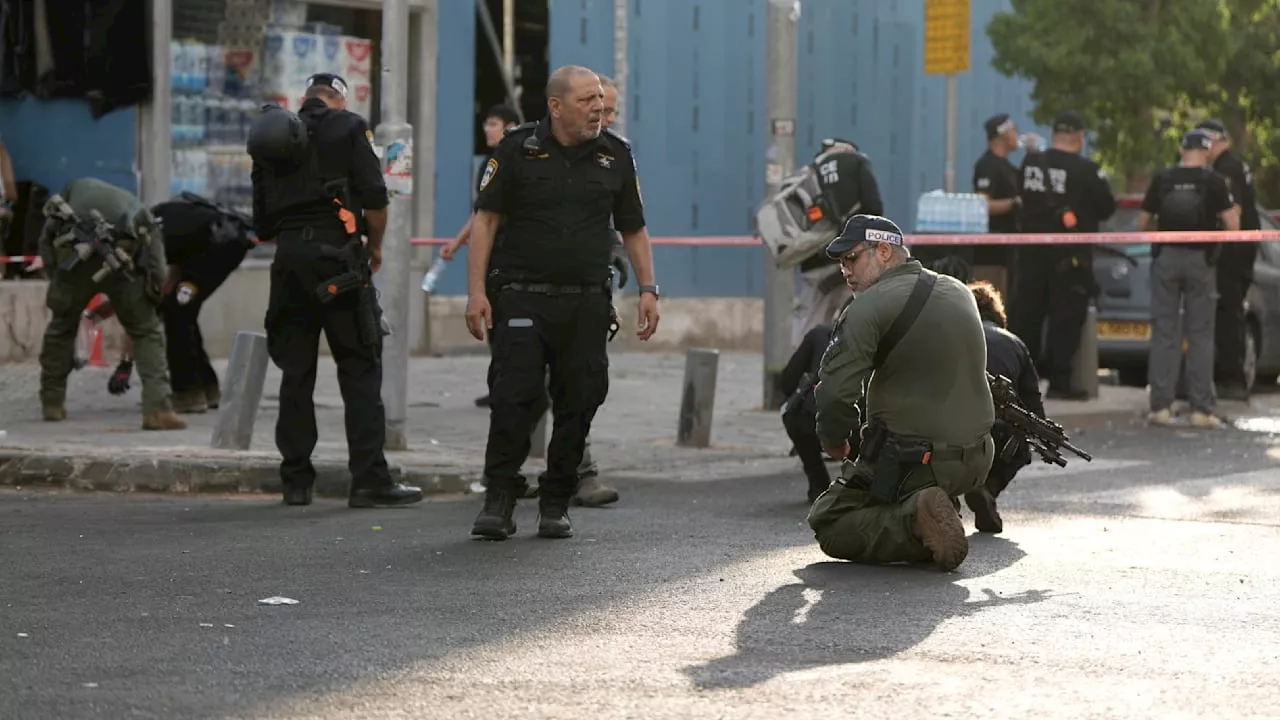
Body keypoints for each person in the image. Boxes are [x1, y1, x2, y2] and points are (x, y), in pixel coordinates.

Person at [465, 65, 659, 541]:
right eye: (587, 100)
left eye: (600, 99)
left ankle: (556, 500)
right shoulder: (516, 149)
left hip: (587, 302)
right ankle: (500, 498)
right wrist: (475, 293)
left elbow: (633, 228)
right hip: (522, 295)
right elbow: (485, 221)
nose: (598, 108)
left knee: (580, 399)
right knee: (514, 397)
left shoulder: (617, 156)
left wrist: (649, 290)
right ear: (556, 106)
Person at [248, 71, 423, 508]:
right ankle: (368, 481)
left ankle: (295, 482)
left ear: (305, 99)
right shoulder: (348, 126)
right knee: (360, 370)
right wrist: (375, 246)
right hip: (338, 262)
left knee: (295, 372)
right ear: (338, 100)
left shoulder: (272, 136)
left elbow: (263, 226)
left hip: (288, 264)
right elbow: (376, 197)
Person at [806, 215, 995, 572]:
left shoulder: (866, 307)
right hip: (978, 459)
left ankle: (915, 520)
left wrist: (833, 441)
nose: (845, 270)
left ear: (884, 251)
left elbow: (833, 395)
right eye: (840, 262)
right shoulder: (958, 290)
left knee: (829, 522)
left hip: (915, 463)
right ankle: (935, 507)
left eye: (852, 258)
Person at [35, 177, 186, 430]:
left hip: (76, 264)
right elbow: (155, 252)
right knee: (147, 331)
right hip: (125, 259)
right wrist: (154, 292)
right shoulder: (133, 205)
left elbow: (46, 239)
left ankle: (52, 404)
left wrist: (56, 278)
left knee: (61, 327)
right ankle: (158, 410)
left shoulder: (69, 201)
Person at [110, 193, 254, 413]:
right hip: (222, 243)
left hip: (220, 246)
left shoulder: (146, 239)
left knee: (177, 314)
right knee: (180, 311)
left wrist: (126, 364)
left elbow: (143, 308)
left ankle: (188, 394)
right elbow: (173, 275)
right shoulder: (155, 223)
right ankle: (206, 388)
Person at [1012, 110, 1117, 399]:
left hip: (1030, 251)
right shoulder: (1086, 170)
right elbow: (1107, 207)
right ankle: (1060, 381)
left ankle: (1020, 382)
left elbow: (1020, 198)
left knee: (1027, 315)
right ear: (1080, 137)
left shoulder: (1031, 164)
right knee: (1066, 315)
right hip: (1070, 255)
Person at [1139, 129, 1238, 430]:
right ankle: (1201, 410)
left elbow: (1143, 223)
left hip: (1166, 258)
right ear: (1207, 152)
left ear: (1182, 150)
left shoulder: (1163, 178)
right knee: (1201, 335)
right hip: (1200, 261)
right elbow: (1233, 225)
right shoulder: (1214, 181)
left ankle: (1160, 408)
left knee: (1164, 333)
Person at [442, 105, 520, 414]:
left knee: (504, 324)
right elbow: (482, 214)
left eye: (494, 123)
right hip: (493, 251)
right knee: (494, 323)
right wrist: (458, 242)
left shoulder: (515, 160)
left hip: (506, 253)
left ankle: (509, 387)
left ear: (510, 127)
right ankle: (500, 386)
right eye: (486, 123)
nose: (487, 129)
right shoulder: (491, 163)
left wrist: (459, 241)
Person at [964, 281, 1044, 534]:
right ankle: (988, 488)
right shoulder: (1015, 343)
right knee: (1021, 444)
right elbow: (1032, 403)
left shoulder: (951, 337)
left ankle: (945, 501)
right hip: (997, 432)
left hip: (948, 426)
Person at [792, 139, 883, 348]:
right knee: (853, 322)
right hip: (850, 258)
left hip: (813, 261)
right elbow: (874, 207)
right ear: (849, 149)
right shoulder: (857, 162)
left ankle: (805, 373)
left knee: (810, 325)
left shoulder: (810, 173)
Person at [1197, 119, 1262, 400]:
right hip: (1239, 249)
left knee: (1227, 312)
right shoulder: (1233, 165)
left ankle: (1231, 380)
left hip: (1231, 251)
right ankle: (1227, 376)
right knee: (1227, 312)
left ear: (1213, 140)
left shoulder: (1226, 169)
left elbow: (1231, 212)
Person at [778, 319, 838, 504]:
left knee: (794, 413)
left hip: (817, 419)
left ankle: (818, 483)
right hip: (869, 423)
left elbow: (787, 381)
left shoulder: (820, 334)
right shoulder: (885, 334)